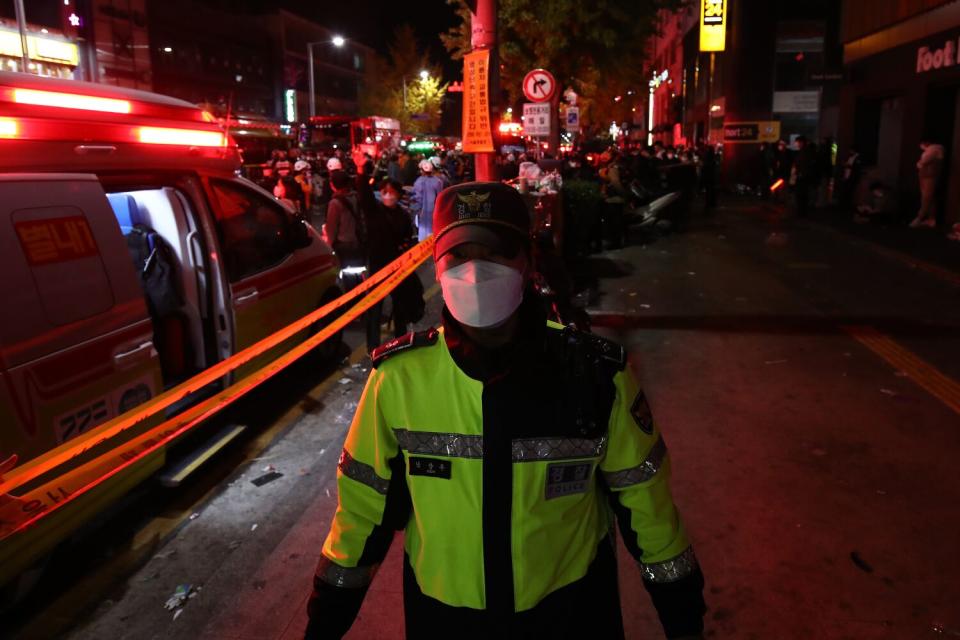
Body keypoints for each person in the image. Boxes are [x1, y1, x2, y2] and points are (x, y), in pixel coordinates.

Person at [304, 181, 706, 640]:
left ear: (528, 264)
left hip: (570, 617)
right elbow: (361, 517)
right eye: (458, 255)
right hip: (445, 623)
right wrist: (324, 624)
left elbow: (649, 510)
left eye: (495, 253)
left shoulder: (595, 376)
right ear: (437, 265)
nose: (475, 272)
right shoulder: (398, 380)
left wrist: (683, 617)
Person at [363, 179, 421, 352]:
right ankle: (373, 346)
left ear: (398, 194)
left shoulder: (403, 215)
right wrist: (360, 172)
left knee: (400, 306)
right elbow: (364, 195)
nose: (388, 195)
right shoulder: (375, 212)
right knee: (374, 308)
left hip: (398, 268)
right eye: (384, 191)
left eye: (391, 191)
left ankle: (401, 340)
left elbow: (408, 239)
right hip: (377, 268)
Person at [323, 170, 367, 290]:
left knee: (349, 280)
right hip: (358, 243)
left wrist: (328, 247)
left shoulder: (335, 203)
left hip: (345, 247)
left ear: (332, 185)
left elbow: (331, 229)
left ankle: (354, 304)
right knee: (358, 276)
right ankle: (363, 300)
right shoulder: (356, 197)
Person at [911, 140, 945, 228]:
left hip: (929, 176)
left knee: (926, 197)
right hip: (926, 176)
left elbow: (924, 161)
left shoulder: (934, 150)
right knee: (928, 197)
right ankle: (931, 218)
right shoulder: (933, 151)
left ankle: (920, 217)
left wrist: (920, 164)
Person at [411, 159, 445, 242]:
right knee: (434, 234)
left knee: (423, 236)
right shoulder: (438, 181)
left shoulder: (418, 182)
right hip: (434, 211)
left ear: (422, 170)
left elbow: (416, 198)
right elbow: (440, 197)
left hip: (422, 212)